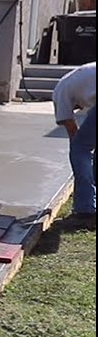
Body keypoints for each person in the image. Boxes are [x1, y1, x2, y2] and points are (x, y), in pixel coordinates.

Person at [51, 61, 96, 226]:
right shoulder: (80, 82)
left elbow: (71, 130)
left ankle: (85, 211)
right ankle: (91, 200)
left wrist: (78, 160)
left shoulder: (60, 92)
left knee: (79, 148)